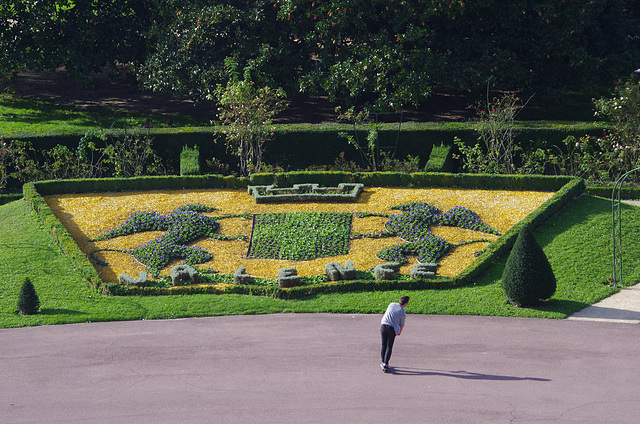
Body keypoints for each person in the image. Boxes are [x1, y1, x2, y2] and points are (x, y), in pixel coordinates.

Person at [380, 295, 409, 372]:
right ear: (406, 303)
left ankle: (383, 361)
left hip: (383, 325)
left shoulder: (391, 304)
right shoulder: (403, 312)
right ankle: (385, 363)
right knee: (389, 346)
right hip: (391, 328)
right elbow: (401, 325)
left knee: (383, 345)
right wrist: (399, 332)